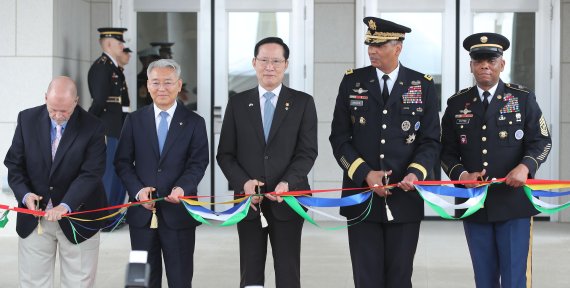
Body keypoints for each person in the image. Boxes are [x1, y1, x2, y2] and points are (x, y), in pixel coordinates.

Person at [329, 17, 440, 288]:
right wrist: (365, 174)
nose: (372, 51)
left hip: (405, 198)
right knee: (366, 278)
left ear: (398, 47)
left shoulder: (421, 85)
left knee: (400, 277)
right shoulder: (352, 82)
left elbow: (431, 141)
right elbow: (339, 138)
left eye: (379, 45)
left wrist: (416, 173)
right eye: (370, 44)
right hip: (361, 198)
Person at [440, 32, 552, 288]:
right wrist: (461, 175)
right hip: (475, 202)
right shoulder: (457, 104)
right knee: (484, 277)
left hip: (514, 203)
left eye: (491, 59)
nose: (485, 65)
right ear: (471, 65)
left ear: (502, 64)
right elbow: (445, 151)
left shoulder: (523, 99)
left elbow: (542, 140)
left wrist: (526, 167)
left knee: (514, 277)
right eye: (478, 60)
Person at [216, 37, 318, 288]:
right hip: (250, 203)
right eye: (264, 60)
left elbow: (307, 152)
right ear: (254, 63)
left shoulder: (302, 103)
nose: (269, 66)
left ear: (286, 64)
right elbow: (225, 154)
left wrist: (287, 182)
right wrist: (244, 183)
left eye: (276, 61)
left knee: (288, 270)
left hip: (288, 200)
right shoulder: (238, 103)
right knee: (250, 273)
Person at [4, 76, 107, 287]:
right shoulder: (26, 119)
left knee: (78, 282)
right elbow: (14, 165)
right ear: (45, 98)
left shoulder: (93, 126)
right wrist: (25, 195)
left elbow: (91, 173)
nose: (58, 116)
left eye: (65, 111)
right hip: (35, 219)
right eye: (53, 110)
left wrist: (65, 204)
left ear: (76, 101)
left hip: (79, 216)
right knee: (34, 282)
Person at [115, 59, 209, 288]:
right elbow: (122, 162)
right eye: (156, 82)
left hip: (179, 214)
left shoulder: (194, 122)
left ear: (179, 85)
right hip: (141, 217)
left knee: (180, 279)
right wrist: (138, 191)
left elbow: (198, 163)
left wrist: (182, 188)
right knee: (139, 280)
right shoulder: (134, 120)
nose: (162, 88)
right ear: (147, 86)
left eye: (168, 82)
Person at [88, 27, 130, 214]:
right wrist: (89, 123)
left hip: (118, 126)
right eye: (119, 43)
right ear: (109, 43)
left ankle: (113, 212)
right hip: (107, 128)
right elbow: (99, 101)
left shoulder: (113, 67)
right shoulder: (102, 66)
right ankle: (104, 215)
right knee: (108, 173)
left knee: (118, 170)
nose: (122, 46)